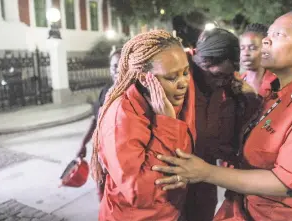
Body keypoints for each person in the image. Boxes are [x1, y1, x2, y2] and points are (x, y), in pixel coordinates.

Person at [152, 10, 292, 221]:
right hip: (243, 207)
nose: (266, 40)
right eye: (269, 34)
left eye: (278, 35)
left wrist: (205, 172)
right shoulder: (274, 91)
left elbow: (285, 184)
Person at [91, 30, 196, 221]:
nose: (183, 83)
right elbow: (141, 191)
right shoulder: (121, 116)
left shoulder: (170, 98)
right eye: (172, 77)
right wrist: (167, 125)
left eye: (186, 72)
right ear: (143, 78)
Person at [185, 28, 260, 221]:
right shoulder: (178, 81)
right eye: (217, 75)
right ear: (201, 61)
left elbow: (231, 141)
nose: (221, 82)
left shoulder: (229, 88)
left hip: (202, 182)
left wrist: (250, 99)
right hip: (170, 181)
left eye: (228, 76)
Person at [77, 48, 121, 158]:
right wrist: (83, 143)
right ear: (110, 69)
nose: (118, 69)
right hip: (108, 157)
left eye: (122, 64)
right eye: (114, 66)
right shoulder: (106, 92)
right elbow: (96, 119)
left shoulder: (139, 94)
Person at [240, 23, 279, 98]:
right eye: (242, 48)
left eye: (252, 48)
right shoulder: (234, 85)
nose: (245, 53)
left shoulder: (278, 85)